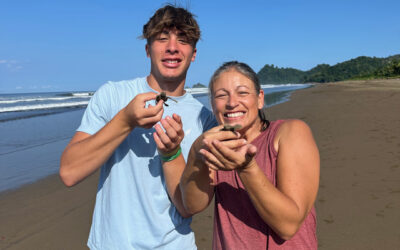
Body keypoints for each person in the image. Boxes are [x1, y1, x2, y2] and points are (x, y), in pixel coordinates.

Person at [59, 5, 216, 249]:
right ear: (147, 49)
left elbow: (190, 207)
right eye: (162, 39)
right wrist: (125, 121)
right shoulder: (112, 95)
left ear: (193, 53)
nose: (172, 47)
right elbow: (69, 172)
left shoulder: (205, 120)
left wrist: (173, 153)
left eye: (182, 40)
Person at [177, 61, 320, 249]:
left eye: (242, 92)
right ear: (212, 104)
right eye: (221, 95)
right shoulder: (216, 146)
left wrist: (246, 168)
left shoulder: (290, 132)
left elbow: (288, 225)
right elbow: (192, 205)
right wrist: (196, 153)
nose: (232, 103)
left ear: (260, 98)